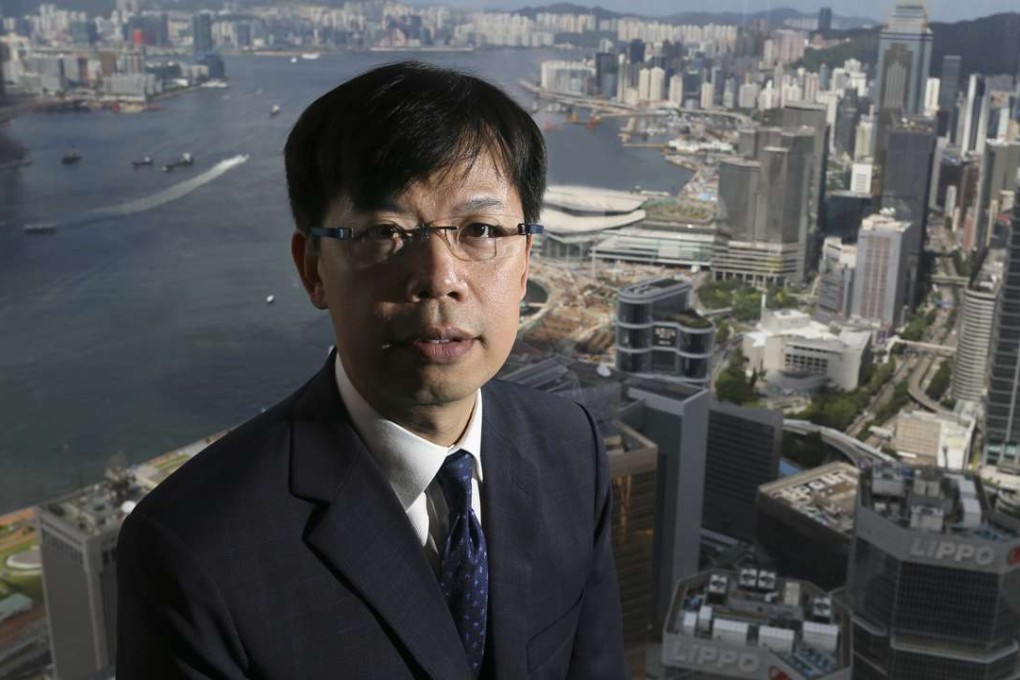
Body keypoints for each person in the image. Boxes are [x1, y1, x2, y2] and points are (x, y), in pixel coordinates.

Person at [116, 61, 626, 679]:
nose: (440, 278)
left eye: (481, 230)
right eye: (385, 232)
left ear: (524, 265)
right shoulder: (195, 547)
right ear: (313, 269)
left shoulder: (570, 447)